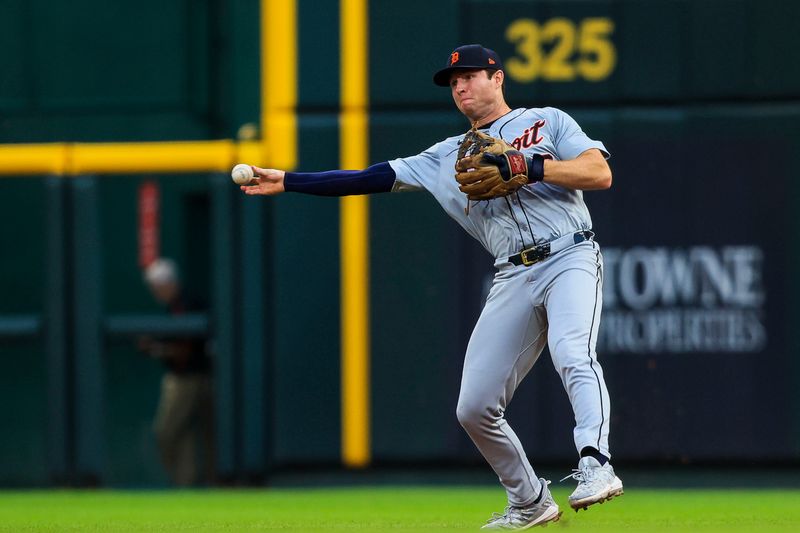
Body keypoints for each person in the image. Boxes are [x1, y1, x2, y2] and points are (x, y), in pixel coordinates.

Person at [241, 44, 622, 529]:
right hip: (512, 273)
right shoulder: (443, 156)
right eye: (452, 81)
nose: (460, 86)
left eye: (469, 76)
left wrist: (528, 166)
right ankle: (529, 501)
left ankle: (595, 463)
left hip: (570, 254)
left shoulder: (547, 121)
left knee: (572, 352)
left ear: (497, 77)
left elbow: (599, 172)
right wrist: (291, 180)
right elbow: (369, 177)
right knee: (474, 407)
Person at [140, 258, 215, 487]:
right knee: (182, 436)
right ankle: (187, 484)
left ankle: (210, 485)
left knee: (174, 432)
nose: (155, 290)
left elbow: (184, 350)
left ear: (169, 283)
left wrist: (154, 349)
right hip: (187, 377)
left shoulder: (187, 303)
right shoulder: (172, 306)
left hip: (191, 378)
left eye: (158, 285)